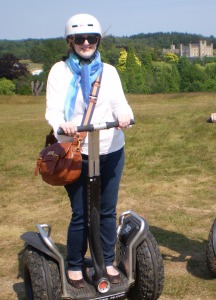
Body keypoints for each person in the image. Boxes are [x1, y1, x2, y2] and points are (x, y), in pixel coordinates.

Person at [45, 13, 134, 289]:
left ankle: (106, 261)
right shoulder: (60, 71)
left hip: (110, 149)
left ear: (98, 40)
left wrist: (125, 116)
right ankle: (74, 265)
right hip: (76, 152)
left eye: (91, 38)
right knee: (82, 212)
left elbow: (121, 104)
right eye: (80, 39)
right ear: (70, 41)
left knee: (107, 211)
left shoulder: (109, 71)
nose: (86, 43)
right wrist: (63, 124)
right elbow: (53, 109)